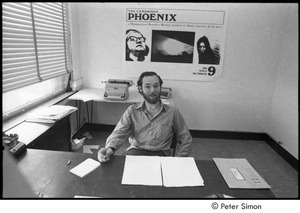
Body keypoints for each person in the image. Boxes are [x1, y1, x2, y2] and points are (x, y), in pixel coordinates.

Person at [98, 71, 192, 163]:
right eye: (147, 86)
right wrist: (109, 149)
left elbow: (185, 138)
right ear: (140, 89)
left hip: (160, 154)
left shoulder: (172, 112)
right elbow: (119, 132)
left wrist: (180, 160)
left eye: (156, 86)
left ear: (160, 87)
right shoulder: (132, 111)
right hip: (136, 152)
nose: (153, 90)